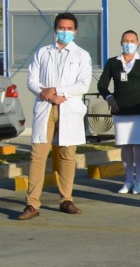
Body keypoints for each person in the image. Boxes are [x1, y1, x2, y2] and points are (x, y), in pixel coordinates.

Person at [18, 12, 93, 220]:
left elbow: (83, 84)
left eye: (69, 29)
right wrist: (48, 95)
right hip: (45, 107)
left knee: (67, 155)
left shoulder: (81, 55)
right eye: (62, 28)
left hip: (68, 107)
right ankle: (32, 204)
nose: (65, 32)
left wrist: (57, 91)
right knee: (38, 155)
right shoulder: (43, 52)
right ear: (55, 29)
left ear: (75, 31)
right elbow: (32, 79)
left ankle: (66, 199)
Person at [97, 30, 140, 194]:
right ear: (120, 42)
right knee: (125, 146)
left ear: (137, 43)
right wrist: (109, 97)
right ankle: (128, 180)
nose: (129, 43)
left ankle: (139, 179)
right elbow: (102, 85)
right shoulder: (113, 62)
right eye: (126, 40)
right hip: (121, 109)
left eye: (132, 40)